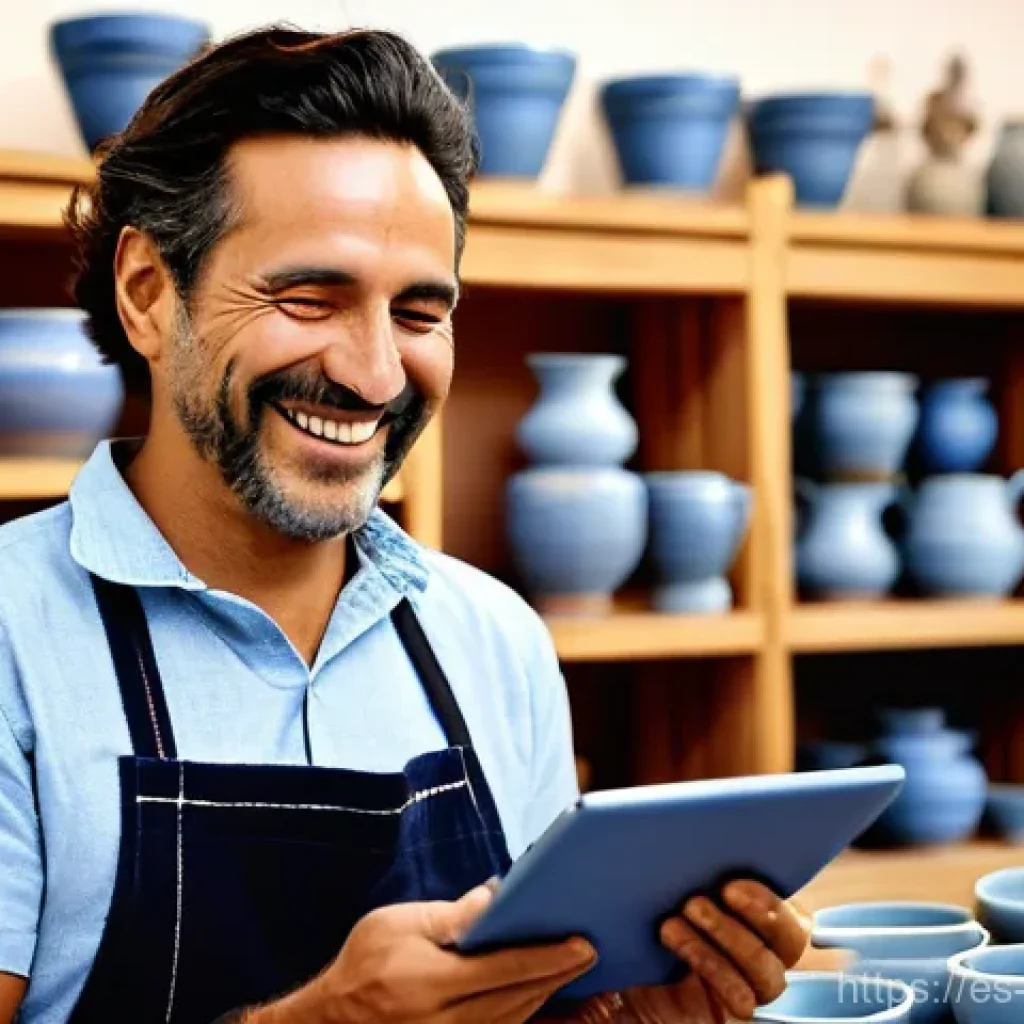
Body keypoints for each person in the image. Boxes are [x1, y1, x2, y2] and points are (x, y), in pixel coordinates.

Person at [0, 26, 809, 1024]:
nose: (377, 374)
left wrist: (639, 1013)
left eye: (421, 314)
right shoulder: (11, 633)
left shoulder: (497, 640)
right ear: (148, 293)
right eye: (309, 297)